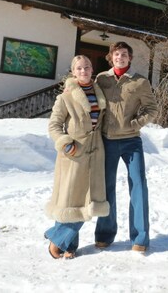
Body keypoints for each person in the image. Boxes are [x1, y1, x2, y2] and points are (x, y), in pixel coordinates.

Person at [94, 41, 159, 254]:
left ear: (129, 58)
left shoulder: (140, 81)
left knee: (138, 187)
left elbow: (151, 109)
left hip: (131, 141)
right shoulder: (101, 79)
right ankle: (105, 234)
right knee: (106, 188)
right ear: (111, 57)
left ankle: (140, 238)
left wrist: (134, 124)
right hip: (107, 140)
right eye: (116, 54)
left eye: (124, 54)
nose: (120, 57)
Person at [44, 55, 109, 259]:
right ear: (73, 72)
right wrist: (66, 144)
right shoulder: (65, 97)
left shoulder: (100, 93)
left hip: (95, 152)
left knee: (87, 199)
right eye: (79, 68)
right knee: (70, 199)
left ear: (92, 70)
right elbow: (54, 126)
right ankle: (65, 243)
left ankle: (64, 243)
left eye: (87, 67)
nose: (83, 71)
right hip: (74, 153)